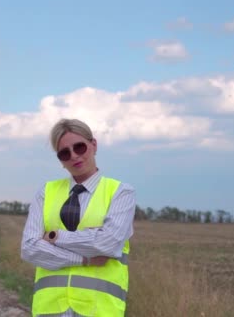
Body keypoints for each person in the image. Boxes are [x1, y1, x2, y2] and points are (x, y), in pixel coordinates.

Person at [21, 118, 136, 317]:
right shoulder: (46, 193)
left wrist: (56, 237)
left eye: (79, 147)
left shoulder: (120, 193)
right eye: (65, 153)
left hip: (99, 309)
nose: (74, 156)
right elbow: (30, 249)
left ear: (93, 145)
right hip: (50, 309)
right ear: (60, 161)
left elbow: (106, 244)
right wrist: (83, 259)